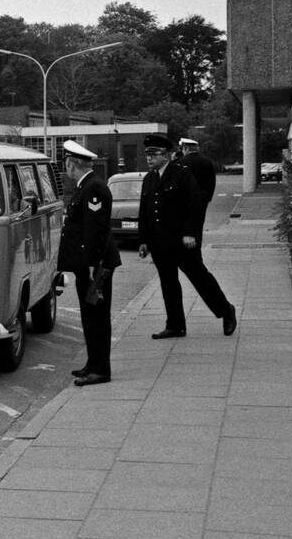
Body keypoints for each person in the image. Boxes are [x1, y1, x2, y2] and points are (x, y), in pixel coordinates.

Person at [137, 134, 237, 339]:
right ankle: (175, 325)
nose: (149, 159)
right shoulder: (149, 178)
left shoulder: (181, 174)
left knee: (199, 277)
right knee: (168, 282)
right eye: (147, 154)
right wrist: (144, 240)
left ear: (165, 155)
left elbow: (195, 205)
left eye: (153, 154)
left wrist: (190, 233)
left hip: (182, 241)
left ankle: (226, 310)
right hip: (159, 242)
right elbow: (145, 210)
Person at [57, 140, 121, 386]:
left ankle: (101, 370)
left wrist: (93, 263)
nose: (66, 170)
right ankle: (92, 363)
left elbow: (96, 230)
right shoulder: (88, 186)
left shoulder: (94, 188)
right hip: (88, 263)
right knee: (89, 315)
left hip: (96, 265)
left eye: (67, 164)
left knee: (97, 317)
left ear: (73, 164)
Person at [178, 137, 217, 211]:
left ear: (186, 148)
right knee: (199, 220)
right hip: (202, 198)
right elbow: (212, 181)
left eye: (182, 149)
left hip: (185, 199)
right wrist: (208, 198)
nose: (182, 151)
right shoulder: (207, 161)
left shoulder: (180, 162)